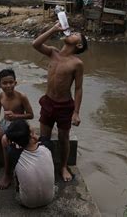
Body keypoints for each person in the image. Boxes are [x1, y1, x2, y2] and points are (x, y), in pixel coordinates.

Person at [32, 22, 88, 181]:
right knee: (44, 137)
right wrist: (54, 29)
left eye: (76, 34)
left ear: (79, 44)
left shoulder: (77, 63)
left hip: (64, 106)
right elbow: (35, 44)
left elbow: (78, 88)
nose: (71, 33)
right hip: (48, 102)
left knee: (64, 138)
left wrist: (76, 112)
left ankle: (63, 166)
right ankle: (44, 164)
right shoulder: (53, 52)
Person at [0, 68, 34, 189]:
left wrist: (16, 116)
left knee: (4, 141)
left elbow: (31, 115)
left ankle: (7, 173)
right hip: (5, 123)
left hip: (18, 125)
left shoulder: (22, 96)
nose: (8, 85)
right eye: (4, 83)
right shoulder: (0, 96)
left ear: (15, 83)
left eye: (11, 82)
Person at [5, 119, 55, 208]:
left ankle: (19, 191)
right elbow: (44, 139)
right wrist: (36, 137)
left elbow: (7, 143)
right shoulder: (47, 146)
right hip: (49, 199)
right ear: (31, 134)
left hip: (27, 203)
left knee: (16, 171)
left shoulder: (13, 154)